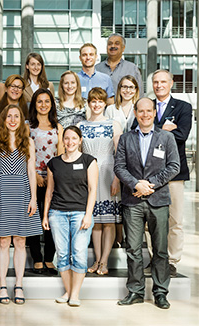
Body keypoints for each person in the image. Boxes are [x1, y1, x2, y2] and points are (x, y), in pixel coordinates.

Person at [114, 98, 180, 310]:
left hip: (158, 200)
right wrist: (136, 184)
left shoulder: (167, 137)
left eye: (148, 111)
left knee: (160, 250)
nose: (144, 115)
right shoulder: (125, 138)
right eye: (140, 111)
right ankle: (135, 291)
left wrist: (150, 184)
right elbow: (119, 167)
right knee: (133, 249)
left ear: (153, 113)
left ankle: (161, 292)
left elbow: (174, 166)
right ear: (135, 112)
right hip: (132, 200)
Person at [0, 104, 41, 305]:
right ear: (3, 119)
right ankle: (1, 285)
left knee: (19, 242)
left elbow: (32, 172)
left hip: (23, 193)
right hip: (0, 193)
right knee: (2, 242)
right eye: (9, 116)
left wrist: (33, 198)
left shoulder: (28, 142)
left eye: (17, 116)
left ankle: (18, 285)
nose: (13, 120)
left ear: (21, 119)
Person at [42, 125, 98, 307]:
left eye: (74, 138)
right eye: (67, 138)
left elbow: (92, 190)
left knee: (79, 254)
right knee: (63, 254)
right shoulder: (54, 163)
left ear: (80, 140)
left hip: (81, 213)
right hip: (57, 213)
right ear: (62, 140)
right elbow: (49, 192)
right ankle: (69, 292)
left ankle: (74, 294)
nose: (70, 142)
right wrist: (45, 216)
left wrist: (88, 214)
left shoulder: (89, 161)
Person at [150, 69, 192, 278]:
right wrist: (165, 129)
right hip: (150, 174)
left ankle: (172, 260)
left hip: (175, 174)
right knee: (152, 221)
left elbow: (182, 135)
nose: (159, 85)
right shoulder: (147, 106)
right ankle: (154, 257)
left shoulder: (184, 107)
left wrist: (155, 130)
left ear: (171, 83)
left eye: (163, 82)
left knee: (174, 220)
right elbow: (138, 132)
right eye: (156, 82)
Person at [78, 87, 122, 276]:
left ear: (105, 103)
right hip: (88, 173)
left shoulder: (114, 124)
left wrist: (117, 178)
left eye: (100, 101)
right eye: (93, 101)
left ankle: (105, 261)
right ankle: (96, 259)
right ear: (88, 103)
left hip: (108, 172)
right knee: (95, 221)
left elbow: (120, 154)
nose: (96, 104)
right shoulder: (81, 125)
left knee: (109, 222)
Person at [26, 88, 63, 275]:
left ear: (51, 104)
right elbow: (24, 154)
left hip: (53, 179)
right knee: (33, 217)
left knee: (51, 218)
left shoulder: (58, 127)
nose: (43, 105)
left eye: (47, 101)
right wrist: (36, 174)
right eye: (39, 101)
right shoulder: (27, 126)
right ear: (34, 104)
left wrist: (52, 176)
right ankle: (37, 258)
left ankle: (49, 258)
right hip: (32, 178)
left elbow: (61, 155)